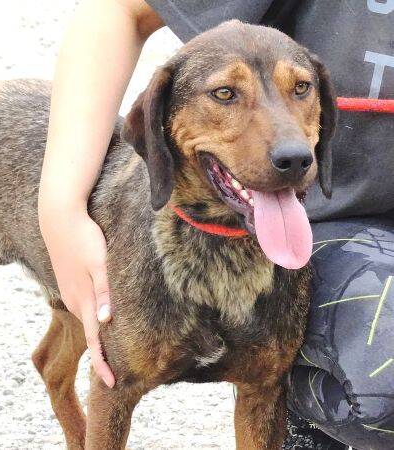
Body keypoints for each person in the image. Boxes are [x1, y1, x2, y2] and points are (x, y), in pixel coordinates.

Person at [38, 1, 394, 449]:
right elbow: (121, 10)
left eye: (300, 89)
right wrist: (61, 209)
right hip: (342, 226)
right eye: (226, 94)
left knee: (269, 378)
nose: (290, 145)